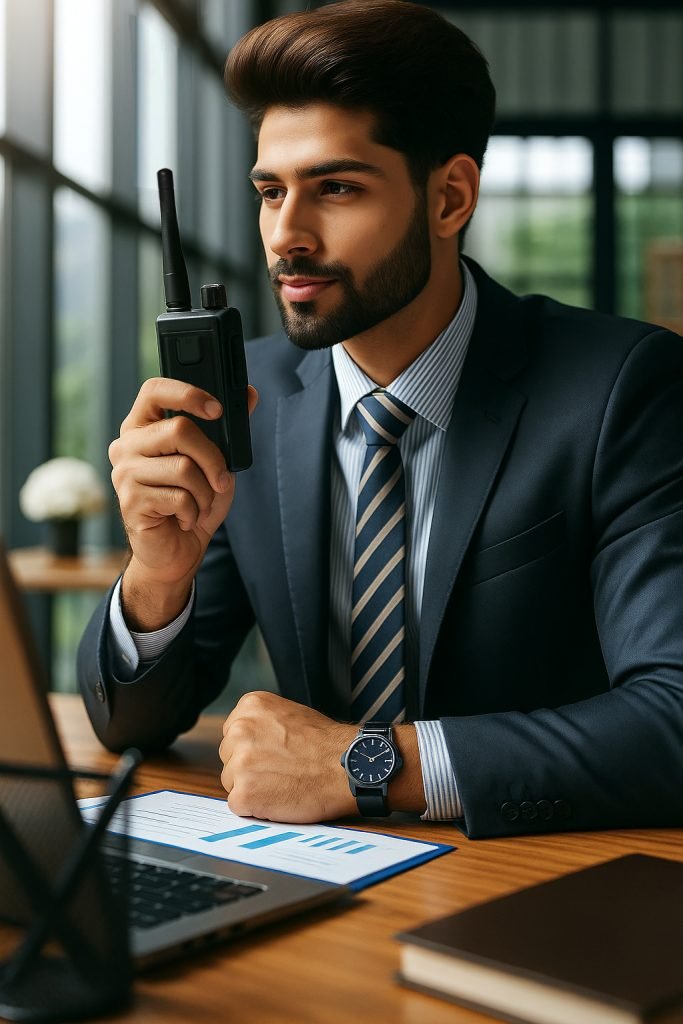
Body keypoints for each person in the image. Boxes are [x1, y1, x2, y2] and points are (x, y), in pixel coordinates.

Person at [78, 0, 683, 838]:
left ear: (449, 198)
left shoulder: (622, 387)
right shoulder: (245, 394)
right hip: (310, 868)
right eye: (270, 192)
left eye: (336, 188)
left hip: (532, 871)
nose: (286, 235)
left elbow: (671, 717)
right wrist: (156, 575)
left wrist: (370, 763)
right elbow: (133, 725)